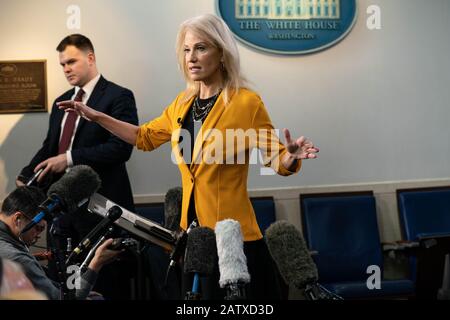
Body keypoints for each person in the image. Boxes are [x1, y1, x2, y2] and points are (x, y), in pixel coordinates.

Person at [58, 14, 319, 299]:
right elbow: (143, 137)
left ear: (221, 53)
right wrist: (97, 117)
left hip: (233, 242)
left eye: (201, 48)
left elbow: (275, 160)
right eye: (186, 49)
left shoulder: (246, 102)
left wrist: (291, 156)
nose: (191, 57)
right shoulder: (182, 103)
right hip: (192, 242)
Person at [16, 34, 139, 299]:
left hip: (102, 212)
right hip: (63, 212)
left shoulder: (119, 96)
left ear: (90, 58)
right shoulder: (61, 101)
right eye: (62, 64)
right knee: (66, 286)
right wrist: (27, 175)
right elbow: (51, 147)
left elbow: (121, 149)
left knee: (106, 286)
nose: (66, 68)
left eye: (71, 61)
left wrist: (69, 158)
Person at [0, 186, 121, 300]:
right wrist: (96, 264)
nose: (39, 235)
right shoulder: (16, 257)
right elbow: (67, 299)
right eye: (38, 228)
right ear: (17, 219)